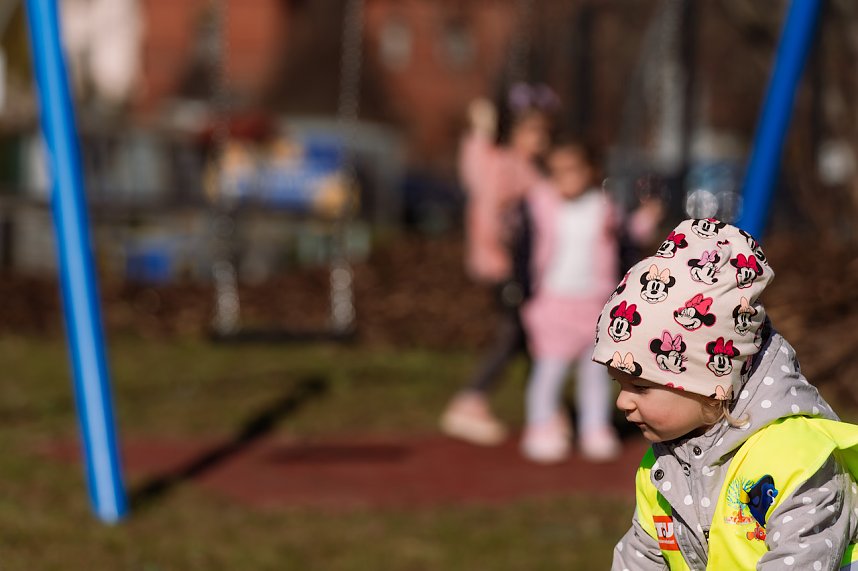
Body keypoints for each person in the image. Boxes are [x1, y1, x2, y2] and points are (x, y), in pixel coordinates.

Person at [593, 218, 858, 570]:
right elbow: (642, 556)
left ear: (708, 384)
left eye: (640, 387)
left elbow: (801, 559)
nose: (622, 402)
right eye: (619, 384)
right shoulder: (663, 468)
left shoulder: (797, 460)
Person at [519, 139, 658, 463]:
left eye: (572, 170)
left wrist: (646, 220)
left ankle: (594, 427)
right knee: (549, 369)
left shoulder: (604, 206)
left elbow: (626, 240)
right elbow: (523, 248)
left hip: (596, 301)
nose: (565, 178)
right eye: (557, 172)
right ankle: (541, 426)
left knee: (594, 372)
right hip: (552, 300)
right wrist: (526, 293)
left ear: (590, 171)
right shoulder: (539, 204)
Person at [440, 83, 557, 446]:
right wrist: (504, 254)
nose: (541, 138)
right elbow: (488, 202)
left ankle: (544, 407)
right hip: (504, 267)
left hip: (520, 267)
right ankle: (471, 399)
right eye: (534, 130)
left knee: (525, 336)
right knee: (514, 333)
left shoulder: (527, 168)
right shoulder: (506, 164)